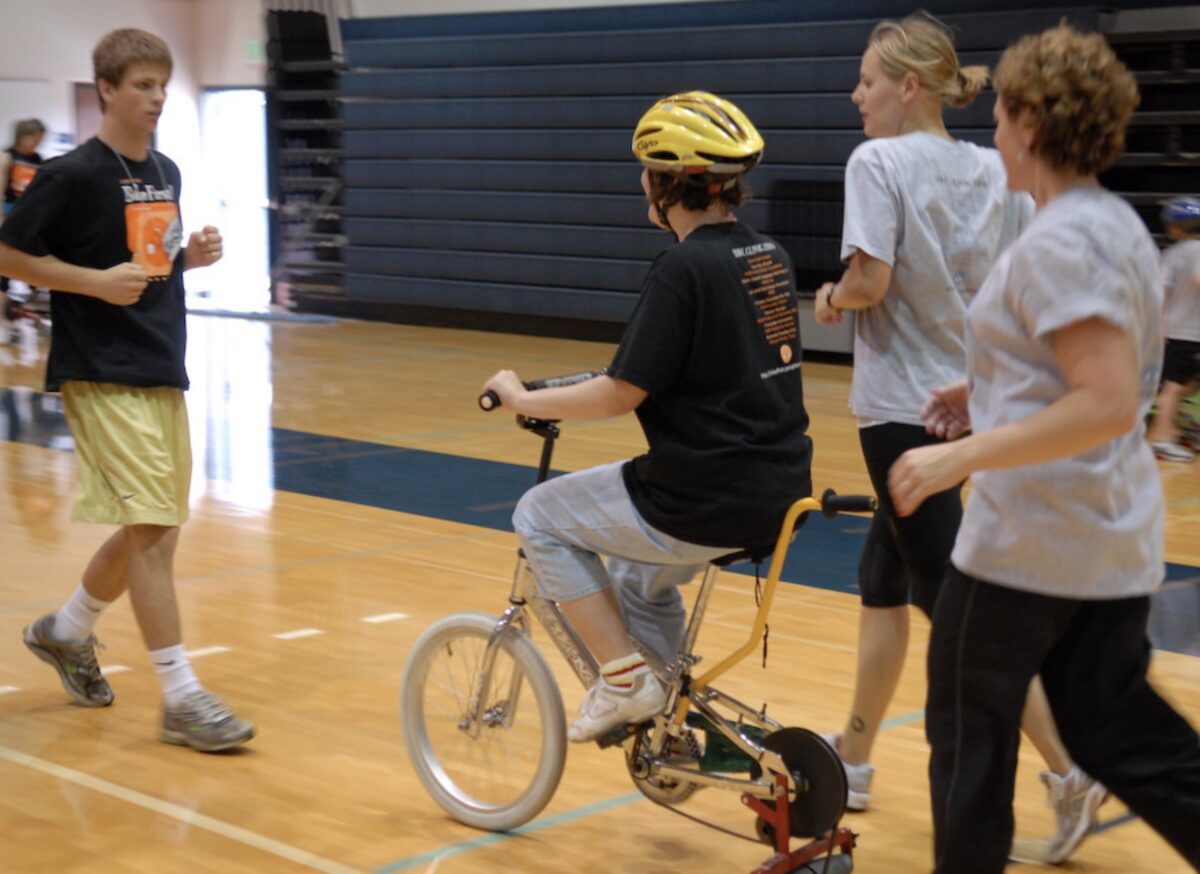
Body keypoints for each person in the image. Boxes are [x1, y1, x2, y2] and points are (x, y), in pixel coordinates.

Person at [888, 24, 1200, 873]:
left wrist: (960, 455)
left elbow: (1101, 401)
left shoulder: (1066, 238)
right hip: (1100, 537)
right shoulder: (1104, 222)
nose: (992, 127)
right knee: (1118, 733)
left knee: (968, 745)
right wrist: (982, 389)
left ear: (1030, 120)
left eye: (999, 112)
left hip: (1030, 547)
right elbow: (1093, 369)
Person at [811, 13, 1102, 857]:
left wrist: (829, 299)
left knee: (960, 609)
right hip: (968, 404)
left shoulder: (877, 161)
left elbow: (871, 281)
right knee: (884, 574)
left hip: (901, 412)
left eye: (867, 80)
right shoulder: (992, 168)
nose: (855, 95)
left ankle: (1067, 770)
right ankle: (855, 758)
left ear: (909, 87)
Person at [483, 91, 813, 743]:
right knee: (639, 579)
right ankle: (668, 715)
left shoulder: (682, 269)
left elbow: (617, 394)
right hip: (779, 493)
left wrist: (521, 399)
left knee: (538, 515)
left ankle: (626, 681)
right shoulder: (768, 256)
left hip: (699, 499)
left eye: (645, 171)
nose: (640, 182)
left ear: (667, 184)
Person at [0, 28, 254, 752]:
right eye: (142, 85)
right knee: (150, 527)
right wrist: (89, 283)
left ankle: (66, 630)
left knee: (157, 526)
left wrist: (190, 260)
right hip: (97, 367)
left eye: (162, 86)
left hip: (160, 364)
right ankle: (181, 697)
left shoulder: (165, 169)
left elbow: (150, 266)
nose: (156, 99)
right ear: (106, 89)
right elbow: (8, 250)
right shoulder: (71, 174)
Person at [1148, 195, 1200, 462]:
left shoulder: (1169, 254)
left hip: (1177, 330)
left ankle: (1182, 426)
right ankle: (1163, 438)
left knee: (1185, 383)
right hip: (1189, 332)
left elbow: (1159, 291)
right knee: (1174, 387)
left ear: (1173, 228)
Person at [1, 118, 46, 338]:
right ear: (23, 135)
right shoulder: (8, 157)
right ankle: (2, 318)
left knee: (36, 263)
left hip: (31, 215)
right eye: (34, 138)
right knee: (4, 273)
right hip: (9, 213)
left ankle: (21, 308)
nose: (37, 143)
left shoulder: (37, 159)